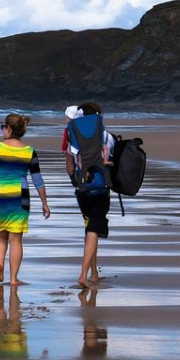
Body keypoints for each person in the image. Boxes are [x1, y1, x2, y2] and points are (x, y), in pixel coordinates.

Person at [0, 113, 50, 285]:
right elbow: (38, 180)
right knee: (16, 240)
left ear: (8, 129)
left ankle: (0, 263)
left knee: (0, 237)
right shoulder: (29, 152)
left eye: (3, 127)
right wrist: (45, 203)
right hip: (20, 197)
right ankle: (14, 279)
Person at [62, 101, 113, 288]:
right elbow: (110, 160)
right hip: (100, 188)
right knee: (94, 228)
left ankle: (93, 273)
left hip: (82, 188)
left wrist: (75, 181)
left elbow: (69, 163)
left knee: (90, 228)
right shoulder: (105, 135)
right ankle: (83, 274)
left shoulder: (74, 136)